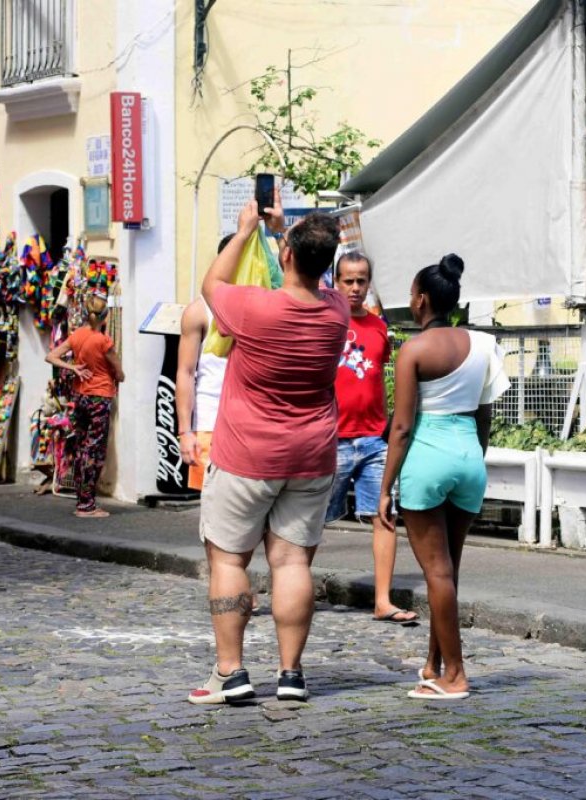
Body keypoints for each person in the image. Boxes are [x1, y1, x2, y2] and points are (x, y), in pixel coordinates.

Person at [189, 194, 348, 705]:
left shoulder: (253, 308)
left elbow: (212, 285)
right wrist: (284, 236)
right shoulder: (337, 313)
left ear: (287, 258)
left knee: (229, 561)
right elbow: (308, 275)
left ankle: (231, 673)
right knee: (292, 563)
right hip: (310, 455)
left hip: (246, 455)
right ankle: (291, 674)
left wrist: (243, 232)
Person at [378, 254, 509, 702]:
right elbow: (486, 414)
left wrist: (385, 487)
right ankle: (433, 665)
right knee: (448, 573)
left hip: (427, 457)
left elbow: (401, 426)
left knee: (436, 573)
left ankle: (455, 674)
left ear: (421, 300)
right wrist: (474, 457)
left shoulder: (413, 350)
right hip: (469, 454)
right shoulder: (485, 344)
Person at [326, 252, 417, 625]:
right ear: (336, 281)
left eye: (361, 280)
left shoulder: (379, 328)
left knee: (385, 515)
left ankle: (383, 599)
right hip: (331, 439)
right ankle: (289, 587)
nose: (355, 288)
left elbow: (378, 378)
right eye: (348, 280)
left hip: (373, 440)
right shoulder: (325, 322)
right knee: (306, 520)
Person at [44, 296, 125, 518]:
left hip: (80, 396)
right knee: (95, 450)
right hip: (99, 396)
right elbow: (119, 371)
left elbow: (50, 356)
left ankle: (82, 499)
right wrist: (119, 375)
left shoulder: (78, 335)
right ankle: (87, 505)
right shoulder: (104, 341)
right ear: (104, 316)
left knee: (81, 447)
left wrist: (73, 368)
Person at [176, 235, 234, 492]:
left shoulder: (265, 303)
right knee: (213, 508)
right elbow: (186, 372)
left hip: (254, 423)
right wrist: (185, 431)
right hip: (211, 423)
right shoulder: (199, 311)